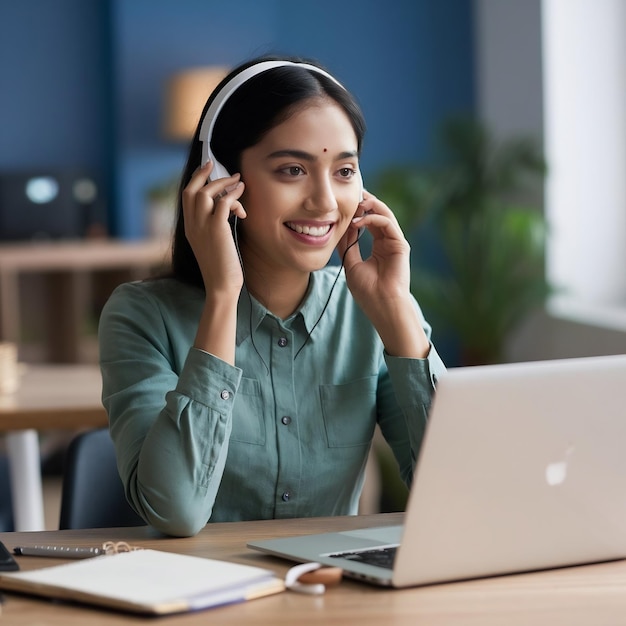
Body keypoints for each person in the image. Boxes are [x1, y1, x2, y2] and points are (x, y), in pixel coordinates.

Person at [99, 55, 446, 537]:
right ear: (219, 177)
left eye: (344, 171)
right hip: (199, 603)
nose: (325, 202)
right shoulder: (141, 316)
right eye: (291, 170)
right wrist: (223, 295)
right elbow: (175, 510)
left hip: (330, 600)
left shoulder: (369, 308)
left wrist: (397, 317)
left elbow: (456, 491)